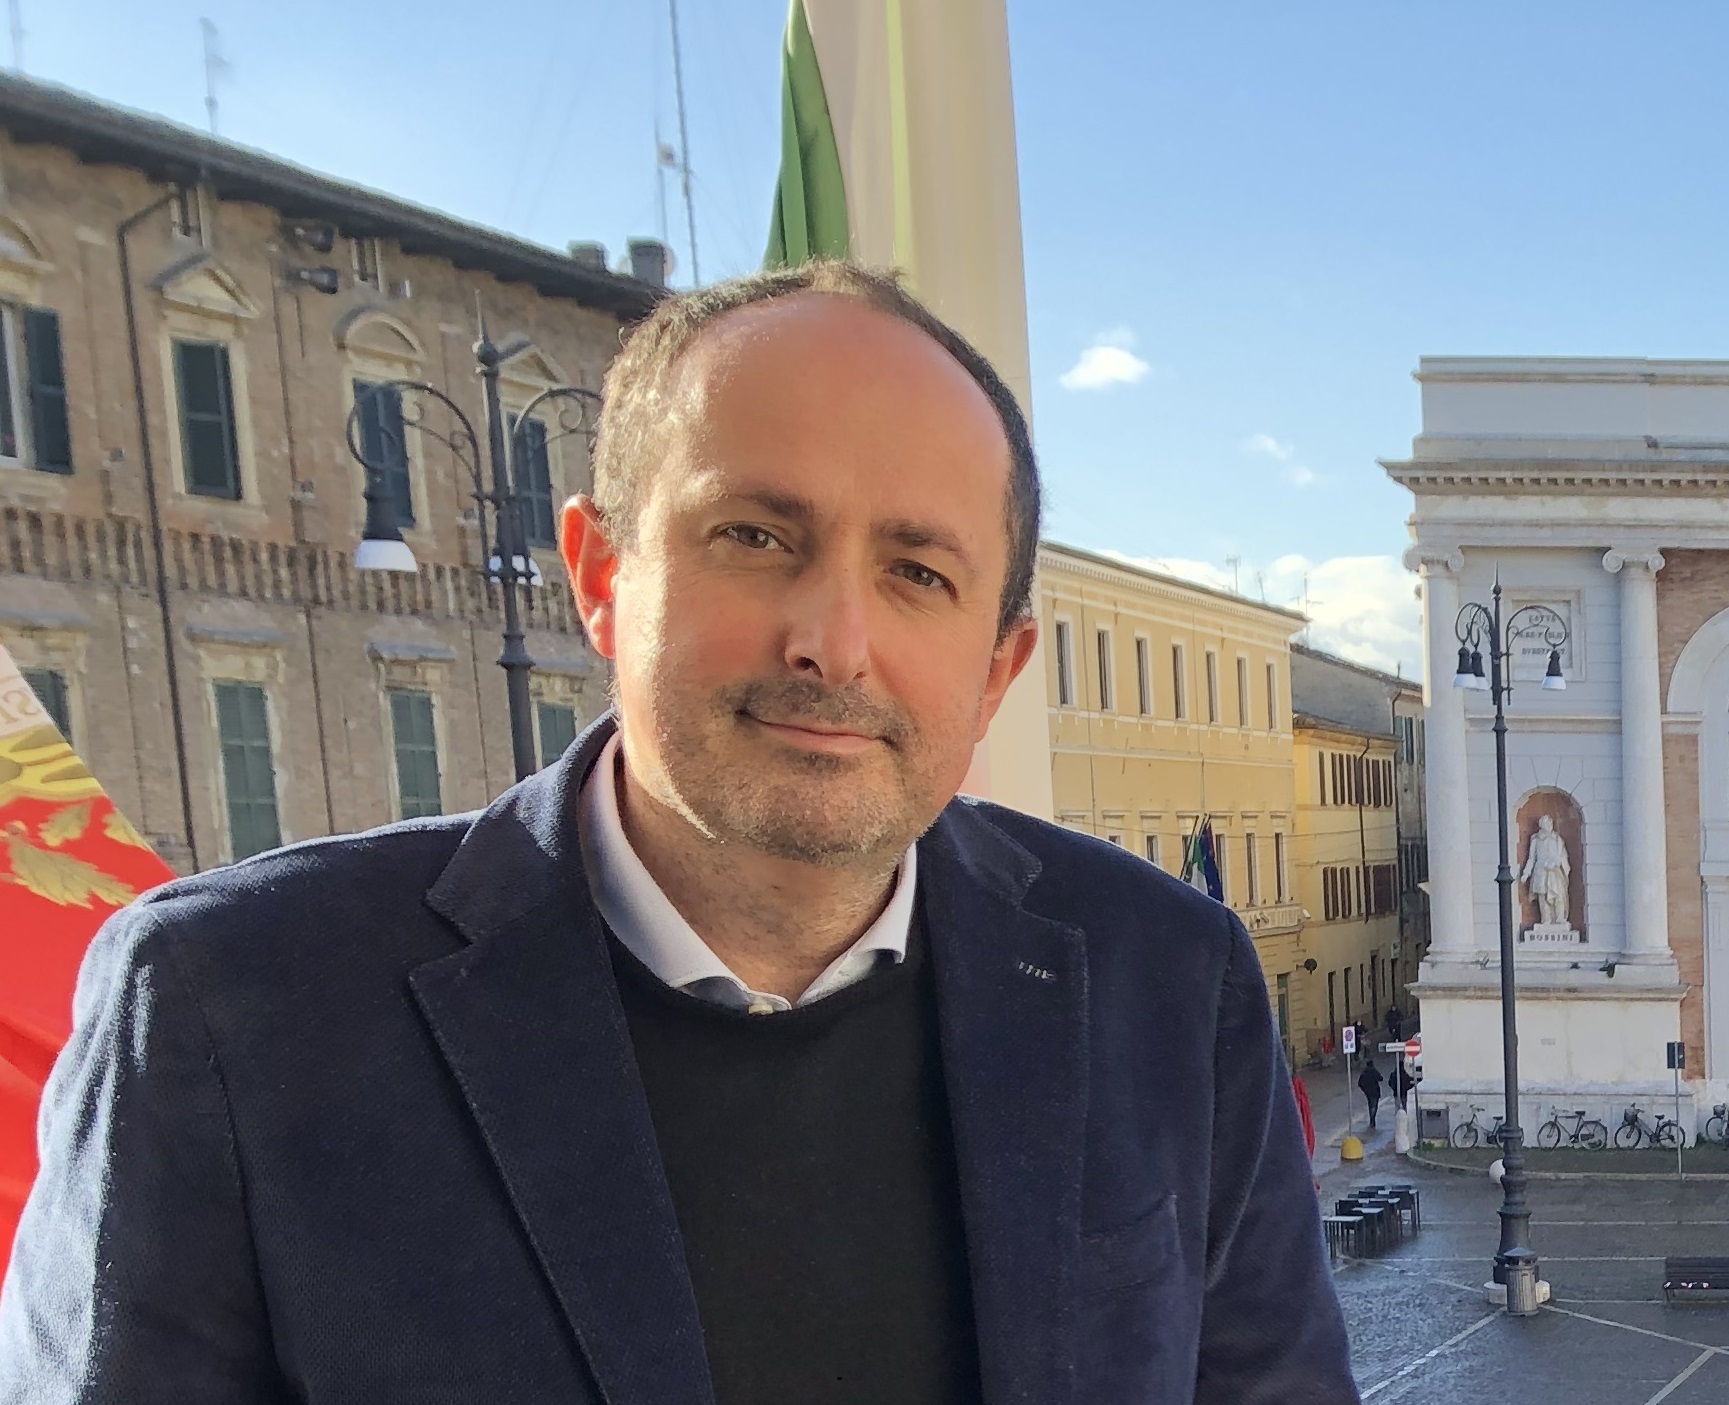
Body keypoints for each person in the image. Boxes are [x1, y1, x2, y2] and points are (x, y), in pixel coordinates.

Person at [0, 262, 1356, 1404]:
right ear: (599, 575)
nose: (834, 642)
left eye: (916, 571)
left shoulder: (1167, 977)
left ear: (997, 669)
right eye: (756, 536)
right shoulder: (229, 1010)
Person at [1359, 1056, 1386, 1130]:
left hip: (1368, 1092)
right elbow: (1381, 1078)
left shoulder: (1364, 1072)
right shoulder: (1374, 1071)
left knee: (1370, 1105)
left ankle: (1372, 1119)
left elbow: (1360, 1083)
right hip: (1375, 1091)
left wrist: (1364, 1089)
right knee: (1374, 1106)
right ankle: (1372, 1120)